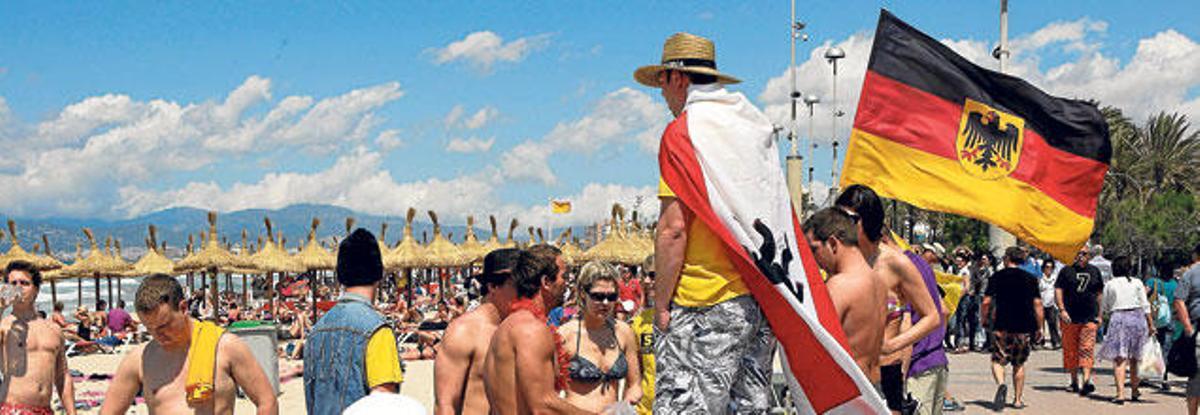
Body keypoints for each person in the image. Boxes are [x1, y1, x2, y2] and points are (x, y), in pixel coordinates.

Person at [641, 33, 781, 414]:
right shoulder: (749, 129)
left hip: (702, 301)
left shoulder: (683, 134)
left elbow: (674, 229)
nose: (662, 94)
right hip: (757, 299)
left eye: (661, 82)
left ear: (677, 78)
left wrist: (662, 304)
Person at [101, 274, 276, 414]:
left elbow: (266, 401)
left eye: (164, 326)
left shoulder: (225, 347)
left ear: (183, 308)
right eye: (150, 328)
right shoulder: (139, 359)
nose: (158, 335)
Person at [835, 185, 941, 414]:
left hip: (883, 376)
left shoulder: (895, 263)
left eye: (849, 219)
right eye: (838, 217)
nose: (841, 226)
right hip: (847, 374)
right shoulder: (838, 258)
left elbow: (933, 316)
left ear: (869, 220)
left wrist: (893, 345)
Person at [302, 228, 404, 415]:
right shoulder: (377, 330)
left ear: (340, 276)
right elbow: (384, 403)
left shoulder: (316, 331)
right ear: (379, 274)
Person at [483, 244, 588, 414]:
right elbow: (542, 406)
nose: (567, 283)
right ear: (546, 282)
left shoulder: (510, 325)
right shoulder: (531, 330)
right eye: (563, 276)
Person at [803, 208, 887, 385]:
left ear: (833, 243)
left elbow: (815, 347)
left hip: (847, 389)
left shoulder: (839, 286)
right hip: (873, 387)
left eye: (814, 249)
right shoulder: (879, 282)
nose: (813, 259)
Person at [435, 248, 520, 415]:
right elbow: (445, 405)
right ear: (493, 286)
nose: (526, 291)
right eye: (518, 284)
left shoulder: (519, 329)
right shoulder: (465, 331)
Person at [558, 261, 641, 412]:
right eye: (598, 296)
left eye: (612, 296)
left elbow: (634, 385)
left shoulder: (623, 332)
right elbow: (548, 393)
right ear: (583, 293)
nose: (605, 303)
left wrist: (624, 406)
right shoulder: (565, 335)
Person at [0, 260, 75, 415]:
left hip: (45, 410)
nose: (18, 287)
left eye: (24, 283)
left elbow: (62, 376)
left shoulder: (53, 329)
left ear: (36, 290)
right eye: (13, 284)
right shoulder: (4, 326)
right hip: (13, 410)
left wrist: (72, 412)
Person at [981, 247, 1044, 410]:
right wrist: (1040, 327)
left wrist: (984, 319)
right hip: (1024, 327)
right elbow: (1038, 304)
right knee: (1019, 364)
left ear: (1007, 258)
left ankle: (1001, 384)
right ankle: (1017, 400)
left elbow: (986, 302)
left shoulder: (997, 277)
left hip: (1002, 325)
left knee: (997, 360)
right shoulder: (1030, 278)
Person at [1097, 256, 1153, 404]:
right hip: (1138, 318)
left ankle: (1120, 394)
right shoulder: (1137, 282)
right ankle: (1135, 390)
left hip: (1119, 319)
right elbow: (1145, 305)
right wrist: (1151, 325)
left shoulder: (1110, 284)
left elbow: (1105, 306)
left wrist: (1102, 317)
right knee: (1135, 358)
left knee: (1119, 358)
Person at [1055, 245, 1104, 396]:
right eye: (1078, 253)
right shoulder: (1066, 271)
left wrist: (1100, 314)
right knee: (1071, 350)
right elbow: (1058, 289)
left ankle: (1086, 380)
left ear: (1089, 256)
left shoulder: (1094, 271)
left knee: (1087, 348)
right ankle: (1074, 381)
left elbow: (1099, 293)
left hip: (1089, 317)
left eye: (1084, 254)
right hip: (1070, 318)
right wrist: (1062, 309)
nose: (1081, 256)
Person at [1174, 244, 1200, 415]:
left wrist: (1188, 327)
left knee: (1196, 376)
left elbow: (1179, 300)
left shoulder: (1190, 273)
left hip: (1198, 329)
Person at [630, 255, 656, 415]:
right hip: (645, 410)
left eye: (653, 275)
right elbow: (637, 371)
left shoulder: (688, 321)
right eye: (645, 275)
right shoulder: (639, 322)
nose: (646, 281)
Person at [1146, 265, 1179, 391]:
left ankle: (1145, 375)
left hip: (1153, 319)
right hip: (1169, 319)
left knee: (1149, 346)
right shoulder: (1175, 285)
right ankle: (1164, 378)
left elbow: (1143, 295)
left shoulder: (1152, 282)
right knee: (1165, 349)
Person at [1039, 260, 1062, 349]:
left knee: (1052, 323)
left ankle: (1055, 341)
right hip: (1041, 305)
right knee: (1040, 325)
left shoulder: (1055, 279)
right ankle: (1039, 341)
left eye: (1051, 267)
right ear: (1043, 268)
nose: (1049, 269)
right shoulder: (1040, 279)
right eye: (1047, 267)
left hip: (1051, 304)